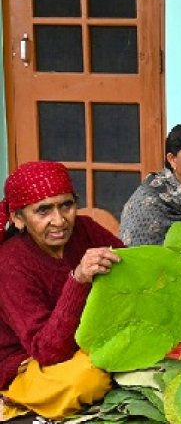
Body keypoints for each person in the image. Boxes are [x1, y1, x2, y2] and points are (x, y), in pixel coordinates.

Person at [0, 161, 124, 420]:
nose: (59, 221)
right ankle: (12, 401)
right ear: (18, 218)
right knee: (90, 379)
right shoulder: (10, 264)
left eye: (66, 205)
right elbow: (47, 351)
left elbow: (132, 270)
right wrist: (78, 280)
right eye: (43, 211)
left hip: (86, 341)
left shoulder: (86, 229)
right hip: (30, 362)